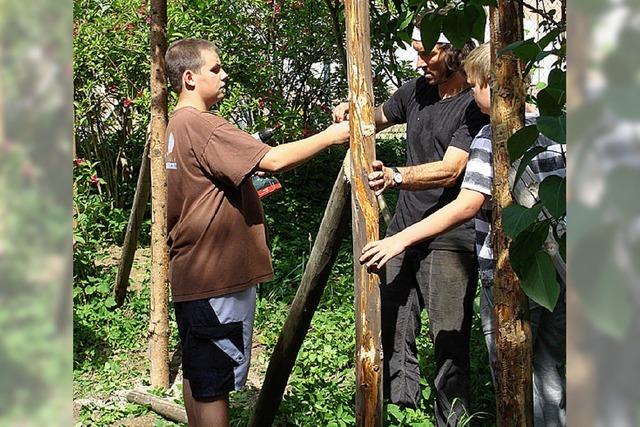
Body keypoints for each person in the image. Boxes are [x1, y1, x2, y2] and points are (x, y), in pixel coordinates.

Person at [360, 42, 567, 426]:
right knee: (549, 374)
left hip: (504, 269)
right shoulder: (560, 127)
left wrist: (397, 229)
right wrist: (351, 115)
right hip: (558, 271)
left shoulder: (491, 133)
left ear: (492, 84)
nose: (473, 94)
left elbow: (464, 198)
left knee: (508, 370)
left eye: (476, 85)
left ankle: (457, 418)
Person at [164, 38, 350, 427]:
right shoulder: (203, 125)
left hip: (191, 272)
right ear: (189, 78)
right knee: (214, 381)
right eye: (215, 69)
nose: (224, 74)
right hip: (217, 278)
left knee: (199, 375)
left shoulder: (176, 124)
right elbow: (274, 159)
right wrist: (332, 136)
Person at [333, 28, 488, 425]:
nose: (419, 63)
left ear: (451, 51)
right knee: (393, 326)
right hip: (403, 232)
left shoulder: (474, 104)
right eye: (416, 54)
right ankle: (401, 411)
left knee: (447, 338)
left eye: (426, 55)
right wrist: (351, 111)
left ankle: (450, 418)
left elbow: (453, 169)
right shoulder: (414, 91)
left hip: (450, 240)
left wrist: (398, 176)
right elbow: (375, 118)